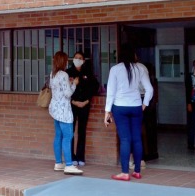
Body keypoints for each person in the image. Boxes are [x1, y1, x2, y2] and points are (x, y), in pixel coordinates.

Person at [105, 44, 153, 181]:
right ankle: (137, 171)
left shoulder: (115, 69)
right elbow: (149, 89)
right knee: (137, 138)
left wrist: (107, 111)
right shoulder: (140, 69)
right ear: (133, 55)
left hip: (120, 107)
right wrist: (145, 104)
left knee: (125, 139)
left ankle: (125, 172)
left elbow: (111, 92)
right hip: (136, 106)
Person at [49, 51, 83, 175]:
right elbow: (68, 94)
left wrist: (68, 83)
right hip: (64, 110)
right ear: (63, 61)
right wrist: (74, 84)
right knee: (68, 136)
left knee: (58, 136)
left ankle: (58, 162)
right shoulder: (63, 74)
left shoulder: (53, 74)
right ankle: (69, 164)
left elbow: (59, 89)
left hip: (55, 109)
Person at [66, 51, 98, 167]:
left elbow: (94, 87)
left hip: (85, 105)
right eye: (76, 58)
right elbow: (65, 90)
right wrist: (74, 101)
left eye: (80, 58)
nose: (77, 60)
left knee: (82, 131)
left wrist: (86, 101)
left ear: (84, 60)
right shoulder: (68, 73)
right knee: (71, 131)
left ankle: (80, 156)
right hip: (72, 105)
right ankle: (72, 156)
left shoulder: (87, 73)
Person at [142, 62, 159, 160]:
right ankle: (149, 152)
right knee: (148, 130)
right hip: (150, 107)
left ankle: (147, 153)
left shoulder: (150, 80)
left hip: (147, 107)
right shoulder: (152, 80)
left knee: (145, 130)